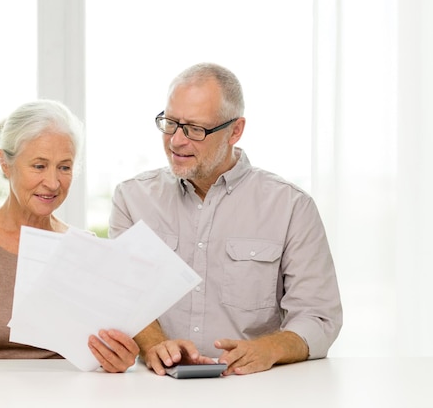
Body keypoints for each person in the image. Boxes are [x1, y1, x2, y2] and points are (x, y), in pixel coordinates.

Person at [110, 63, 343, 376]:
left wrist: (269, 349)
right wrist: (155, 344)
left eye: (195, 129)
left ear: (235, 130)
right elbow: (124, 291)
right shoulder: (131, 199)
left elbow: (318, 317)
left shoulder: (291, 207)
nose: (177, 141)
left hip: (253, 387)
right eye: (170, 123)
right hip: (157, 387)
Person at [0, 99, 139, 375]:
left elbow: (102, 347)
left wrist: (118, 356)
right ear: (5, 163)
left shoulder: (84, 247)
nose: (53, 183)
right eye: (39, 166)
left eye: (64, 167)